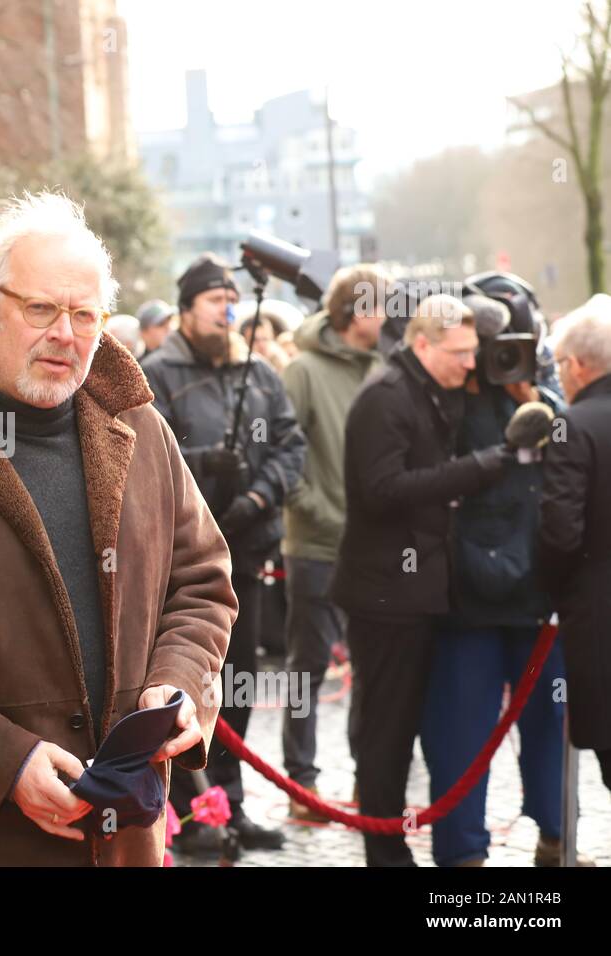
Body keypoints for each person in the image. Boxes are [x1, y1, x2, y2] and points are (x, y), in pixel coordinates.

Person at [0, 191, 237, 866]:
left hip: (125, 839)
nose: (65, 333)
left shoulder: (140, 428)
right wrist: (3, 762)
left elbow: (201, 581)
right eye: (41, 309)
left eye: (85, 314)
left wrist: (177, 684)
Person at [331, 294, 512, 866]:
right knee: (386, 734)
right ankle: (385, 854)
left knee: (414, 725)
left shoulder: (430, 387)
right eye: (459, 353)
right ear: (423, 344)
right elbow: (382, 491)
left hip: (418, 591)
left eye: (473, 353)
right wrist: (479, 470)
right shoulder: (386, 398)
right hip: (387, 596)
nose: (469, 364)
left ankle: (402, 843)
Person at [142, 253, 306, 856]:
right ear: (187, 309)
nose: (227, 309)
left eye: (232, 300)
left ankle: (231, 805)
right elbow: (147, 454)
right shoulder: (158, 371)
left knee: (239, 686)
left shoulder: (257, 373)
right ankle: (189, 811)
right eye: (215, 300)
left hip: (251, 547)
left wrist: (261, 494)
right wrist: (207, 466)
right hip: (186, 562)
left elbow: (291, 444)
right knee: (189, 683)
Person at [420, 293, 579, 867]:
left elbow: (570, 445)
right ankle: (462, 853)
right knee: (459, 730)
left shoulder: (536, 390)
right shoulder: (442, 399)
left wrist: (535, 400)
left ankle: (558, 834)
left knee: (549, 724)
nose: (485, 364)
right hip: (469, 597)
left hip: (538, 593)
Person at [279, 265, 386, 821]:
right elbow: (284, 458)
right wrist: (324, 516)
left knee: (371, 669)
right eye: (378, 305)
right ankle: (303, 786)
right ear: (352, 311)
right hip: (316, 550)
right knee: (308, 670)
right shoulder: (302, 371)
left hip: (373, 553)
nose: (386, 316)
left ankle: (371, 782)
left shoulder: (381, 371)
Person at [540, 295, 611, 799]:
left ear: (579, 365)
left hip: (599, 616)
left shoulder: (573, 425)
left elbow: (561, 532)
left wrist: (550, 586)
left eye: (560, 364)